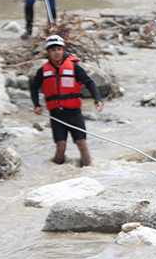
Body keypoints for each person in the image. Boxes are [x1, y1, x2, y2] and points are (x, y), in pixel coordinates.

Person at [30, 35, 103, 166]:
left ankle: (88, 170)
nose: (56, 52)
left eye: (59, 49)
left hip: (74, 113)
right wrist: (36, 105)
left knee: (82, 144)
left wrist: (97, 99)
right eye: (53, 50)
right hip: (56, 115)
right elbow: (33, 86)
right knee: (61, 145)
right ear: (48, 53)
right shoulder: (43, 70)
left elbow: (89, 82)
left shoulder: (74, 67)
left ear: (63, 50)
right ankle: (57, 171)